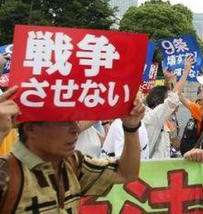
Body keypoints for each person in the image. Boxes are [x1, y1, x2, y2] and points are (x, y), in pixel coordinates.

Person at [0, 85, 144, 213]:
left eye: (75, 120)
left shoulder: (73, 163)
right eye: (64, 121)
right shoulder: (7, 172)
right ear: (30, 129)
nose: (75, 128)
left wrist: (131, 127)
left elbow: (126, 173)